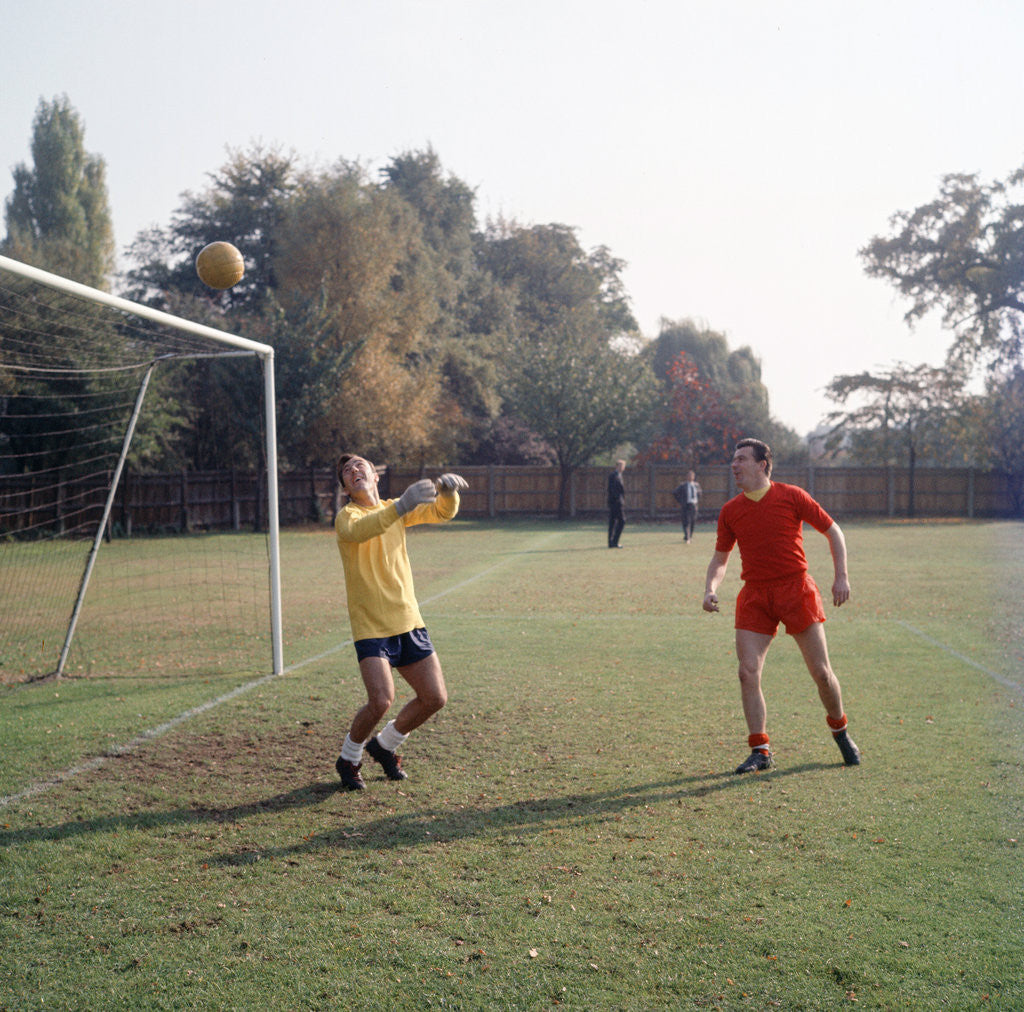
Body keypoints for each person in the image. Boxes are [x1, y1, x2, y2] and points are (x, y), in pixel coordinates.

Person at [702, 438, 860, 774]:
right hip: (755, 596)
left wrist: (841, 577)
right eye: (733, 460)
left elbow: (834, 531)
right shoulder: (730, 511)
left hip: (796, 590)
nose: (734, 465)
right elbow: (720, 558)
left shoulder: (792, 495)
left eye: (741, 459)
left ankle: (840, 730)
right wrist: (710, 588)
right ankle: (760, 750)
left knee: (821, 673)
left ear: (762, 464)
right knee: (747, 672)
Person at [333, 453, 468, 790]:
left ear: (375, 476)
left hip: (407, 619)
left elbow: (441, 511)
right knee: (381, 700)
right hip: (371, 626)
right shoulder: (347, 517)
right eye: (346, 472)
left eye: (359, 465)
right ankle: (349, 758)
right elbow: (363, 529)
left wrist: (448, 491)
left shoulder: (396, 509)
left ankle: (385, 745)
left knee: (435, 698)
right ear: (346, 489)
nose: (353, 471)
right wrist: (399, 506)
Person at [672, 470, 702, 543]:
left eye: (692, 476)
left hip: (694, 505)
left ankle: (689, 536)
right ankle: (687, 537)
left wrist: (696, 501)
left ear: (694, 477)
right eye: (689, 475)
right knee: (686, 521)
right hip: (686, 505)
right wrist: (681, 501)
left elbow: (700, 494)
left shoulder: (696, 485)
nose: (690, 477)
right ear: (687, 477)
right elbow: (675, 493)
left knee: (693, 521)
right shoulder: (683, 485)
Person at [607, 459, 626, 548]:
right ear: (617, 466)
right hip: (616, 503)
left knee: (613, 522)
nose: (623, 468)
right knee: (621, 521)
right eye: (621, 466)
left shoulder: (619, 475)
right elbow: (612, 490)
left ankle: (612, 542)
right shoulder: (614, 476)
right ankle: (614, 541)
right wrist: (618, 500)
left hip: (616, 502)